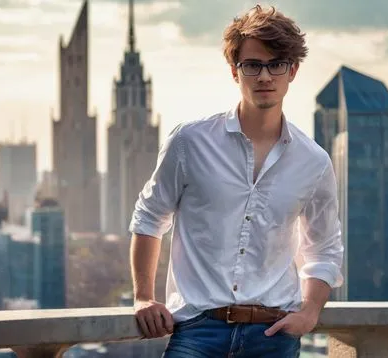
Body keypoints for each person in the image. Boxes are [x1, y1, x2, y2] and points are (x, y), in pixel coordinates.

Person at [129, 5, 344, 358]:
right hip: (196, 331)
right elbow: (149, 218)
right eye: (253, 65)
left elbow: (325, 249)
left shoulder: (314, 162)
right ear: (234, 71)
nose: (264, 77)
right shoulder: (189, 142)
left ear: (292, 71)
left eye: (276, 64)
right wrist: (143, 297)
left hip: (273, 334)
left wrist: (309, 313)